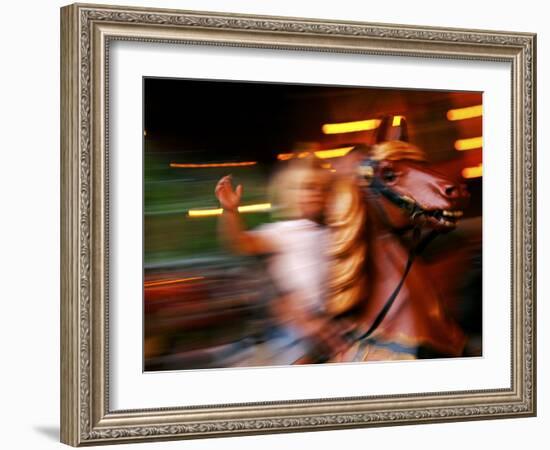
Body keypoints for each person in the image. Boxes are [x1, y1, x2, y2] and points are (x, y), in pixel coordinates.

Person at [215, 156, 349, 364]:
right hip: (296, 329)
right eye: (308, 188)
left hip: (333, 321)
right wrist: (230, 211)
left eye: (323, 189)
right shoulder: (284, 232)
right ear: (294, 194)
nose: (316, 194)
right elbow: (240, 243)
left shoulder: (335, 233)